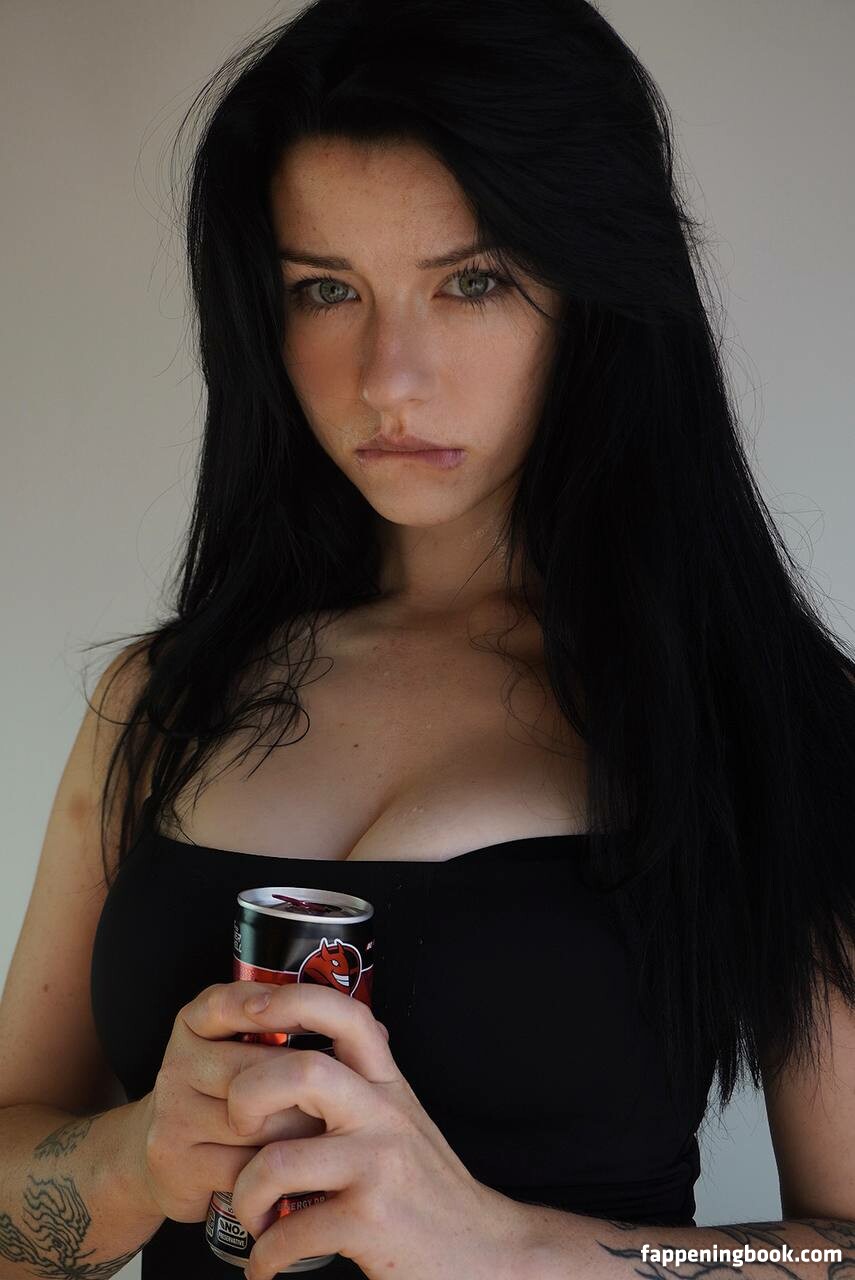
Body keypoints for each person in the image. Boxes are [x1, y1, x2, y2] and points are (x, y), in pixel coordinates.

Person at [2, 0, 854, 1277]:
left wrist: (513, 1247)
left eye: (474, 280)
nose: (389, 378)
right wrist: (130, 1161)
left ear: (593, 298)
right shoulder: (162, 701)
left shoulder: (764, 717)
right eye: (325, 289)